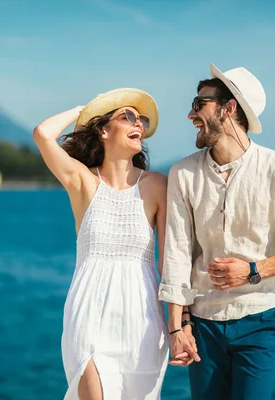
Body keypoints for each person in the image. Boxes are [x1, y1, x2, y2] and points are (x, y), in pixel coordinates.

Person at [159, 64, 275, 400]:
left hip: (259, 322)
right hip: (201, 326)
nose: (190, 113)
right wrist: (177, 326)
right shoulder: (183, 172)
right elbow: (177, 252)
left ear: (229, 107)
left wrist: (252, 270)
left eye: (199, 103)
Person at [33, 88, 169, 400]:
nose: (139, 125)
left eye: (142, 120)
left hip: (142, 320)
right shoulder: (83, 181)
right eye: (128, 117)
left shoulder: (157, 185)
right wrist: (85, 110)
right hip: (89, 316)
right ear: (104, 130)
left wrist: (180, 322)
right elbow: (43, 134)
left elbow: (167, 263)